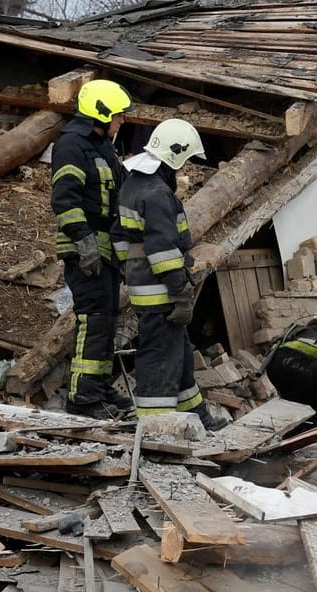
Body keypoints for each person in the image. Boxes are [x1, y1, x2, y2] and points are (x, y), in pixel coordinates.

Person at [117, 118, 223, 431]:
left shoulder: (133, 184)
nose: (185, 168)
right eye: (186, 160)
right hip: (160, 289)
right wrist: (179, 292)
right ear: (175, 155)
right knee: (160, 354)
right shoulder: (157, 194)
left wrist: (131, 273)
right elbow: (163, 250)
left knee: (180, 353)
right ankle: (154, 425)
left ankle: (197, 415)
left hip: (143, 283)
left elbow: (121, 239)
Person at [51, 79, 132, 419]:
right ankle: (83, 398)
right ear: (100, 114)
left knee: (106, 320)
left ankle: (98, 385)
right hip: (84, 247)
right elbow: (64, 200)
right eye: (118, 115)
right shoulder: (72, 145)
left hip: (106, 248)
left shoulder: (103, 147)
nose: (122, 121)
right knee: (93, 320)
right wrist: (84, 241)